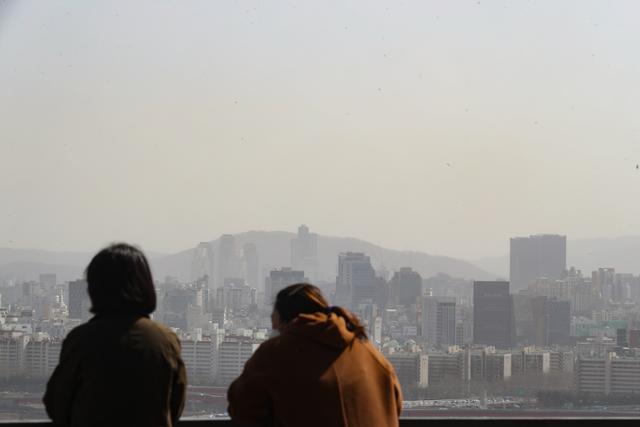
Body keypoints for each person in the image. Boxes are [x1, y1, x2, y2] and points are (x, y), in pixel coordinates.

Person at [44, 243, 187, 427]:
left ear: (94, 288)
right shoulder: (165, 340)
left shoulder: (82, 340)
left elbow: (57, 403)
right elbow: (176, 405)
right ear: (145, 286)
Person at [228, 283, 402, 427]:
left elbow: (242, 408)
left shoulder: (276, 353)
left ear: (284, 321)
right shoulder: (369, 352)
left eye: (274, 321)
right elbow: (394, 405)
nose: (272, 329)